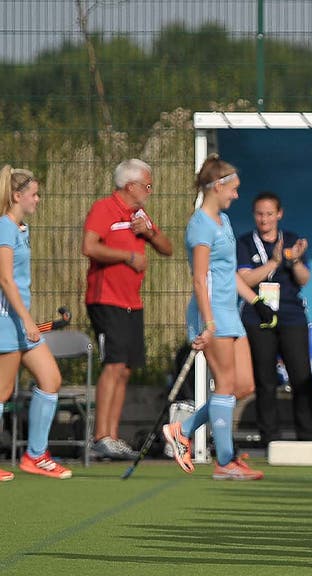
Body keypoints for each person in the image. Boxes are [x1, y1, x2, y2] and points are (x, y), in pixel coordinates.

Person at [162, 155, 265, 481]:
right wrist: (207, 323)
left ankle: (182, 430)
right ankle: (225, 461)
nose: (236, 195)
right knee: (225, 385)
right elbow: (199, 278)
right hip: (212, 314)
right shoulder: (200, 225)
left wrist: (256, 301)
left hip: (230, 311)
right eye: (232, 189)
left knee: (244, 385)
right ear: (217, 186)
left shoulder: (224, 221)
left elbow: (228, 272)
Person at [81, 158, 173, 461]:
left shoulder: (139, 215)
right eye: (147, 185)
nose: (150, 190)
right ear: (130, 186)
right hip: (106, 299)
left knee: (126, 368)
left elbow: (167, 248)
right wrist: (127, 256)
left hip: (132, 301)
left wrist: (149, 233)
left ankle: (113, 436)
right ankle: (100, 436)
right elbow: (89, 247)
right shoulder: (104, 209)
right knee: (114, 364)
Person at [0, 166, 70, 481]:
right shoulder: (4, 228)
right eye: (34, 194)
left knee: (50, 379)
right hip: (7, 323)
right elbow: (5, 279)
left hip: (20, 323)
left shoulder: (21, 229)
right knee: (2, 391)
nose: (38, 199)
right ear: (17, 196)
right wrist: (28, 320)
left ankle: (36, 456)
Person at [236, 192, 312, 444]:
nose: (264, 219)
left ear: (279, 214)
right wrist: (273, 262)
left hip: (291, 316)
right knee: (265, 378)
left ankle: (307, 436)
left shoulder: (291, 240)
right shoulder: (245, 243)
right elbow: (245, 279)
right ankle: (269, 437)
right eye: (260, 214)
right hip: (257, 315)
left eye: (269, 214)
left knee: (301, 376)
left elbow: (304, 279)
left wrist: (294, 260)